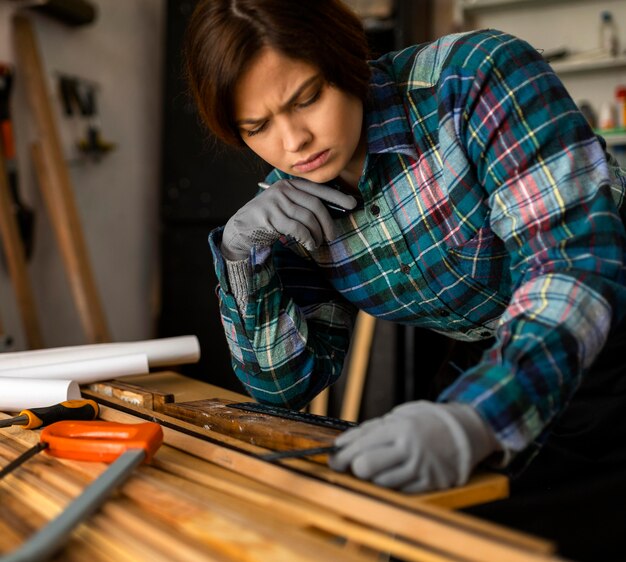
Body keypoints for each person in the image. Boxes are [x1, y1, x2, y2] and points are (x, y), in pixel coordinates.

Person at [183, 1, 626, 559]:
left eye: (307, 98)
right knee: (410, 537)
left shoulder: (474, 79)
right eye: (258, 127)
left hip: (605, 317)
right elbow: (286, 386)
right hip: (506, 352)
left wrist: (476, 418)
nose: (292, 142)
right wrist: (241, 256)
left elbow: (572, 269)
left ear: (347, 59)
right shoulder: (292, 202)